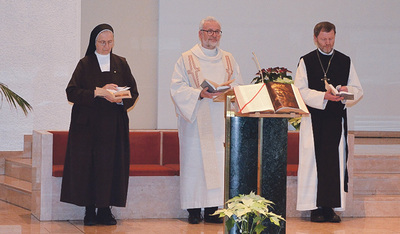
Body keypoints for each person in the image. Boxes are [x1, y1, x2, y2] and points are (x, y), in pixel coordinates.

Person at [60, 23, 139, 226]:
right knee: (90, 166)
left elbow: (134, 92)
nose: (106, 46)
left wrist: (120, 98)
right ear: (94, 42)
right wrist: (98, 91)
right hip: (88, 128)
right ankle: (89, 211)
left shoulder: (121, 63)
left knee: (110, 167)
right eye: (102, 42)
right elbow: (72, 92)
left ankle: (105, 210)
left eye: (110, 42)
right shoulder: (85, 64)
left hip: (113, 127)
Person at [170, 16, 243, 224]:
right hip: (196, 119)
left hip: (221, 119)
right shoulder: (186, 59)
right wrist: (199, 94)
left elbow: (238, 86)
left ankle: (213, 208)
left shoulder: (229, 59)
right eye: (209, 31)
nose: (213, 35)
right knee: (195, 165)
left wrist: (229, 91)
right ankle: (193, 209)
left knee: (218, 164)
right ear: (200, 33)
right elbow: (176, 88)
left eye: (217, 32)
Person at [294, 21, 363, 223]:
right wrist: (323, 97)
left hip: (335, 119)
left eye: (331, 39)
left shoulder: (344, 60)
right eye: (323, 39)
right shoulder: (306, 61)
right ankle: (314, 208)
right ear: (315, 38)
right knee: (313, 163)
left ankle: (329, 207)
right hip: (314, 119)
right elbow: (300, 90)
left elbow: (358, 90)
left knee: (333, 162)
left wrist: (344, 92)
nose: (327, 43)